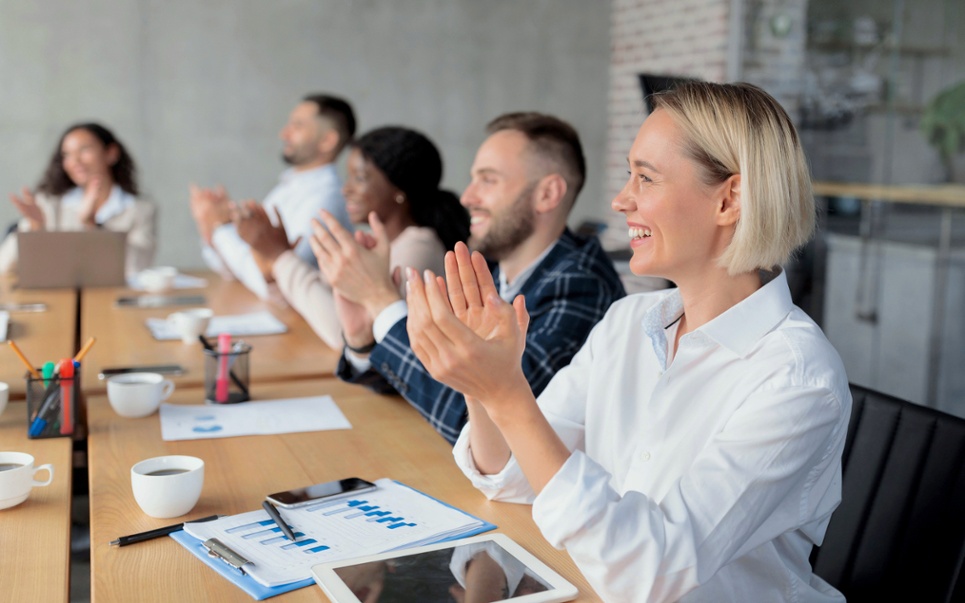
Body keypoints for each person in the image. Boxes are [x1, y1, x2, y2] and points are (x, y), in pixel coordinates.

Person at [404, 82, 852, 602]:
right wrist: (479, 381)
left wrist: (506, 394)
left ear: (729, 199)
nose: (621, 199)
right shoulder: (628, 322)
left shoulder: (796, 379)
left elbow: (652, 571)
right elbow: (511, 478)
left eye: (646, 177)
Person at [311, 112, 626, 444]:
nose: (467, 197)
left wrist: (380, 300)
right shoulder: (489, 270)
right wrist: (363, 337)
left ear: (547, 194)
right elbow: (420, 374)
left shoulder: (581, 286)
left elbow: (487, 426)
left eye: (488, 180)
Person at [234, 126, 469, 349]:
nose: (346, 189)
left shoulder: (419, 246)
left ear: (399, 190)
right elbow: (313, 301)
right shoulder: (376, 242)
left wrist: (280, 256)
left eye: (359, 178)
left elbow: (346, 333)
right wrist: (271, 263)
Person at [189, 93, 355, 299]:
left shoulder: (326, 200)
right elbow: (234, 271)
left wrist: (222, 227)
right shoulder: (286, 188)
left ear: (328, 140)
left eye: (298, 126)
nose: (284, 134)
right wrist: (209, 226)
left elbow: (273, 285)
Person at [0, 122, 155, 275]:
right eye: (67, 155)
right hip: (56, 299)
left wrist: (92, 227)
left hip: (111, 298)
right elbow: (4, 265)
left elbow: (137, 267)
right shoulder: (49, 204)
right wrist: (35, 229)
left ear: (111, 153)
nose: (75, 161)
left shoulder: (139, 209)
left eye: (84, 149)